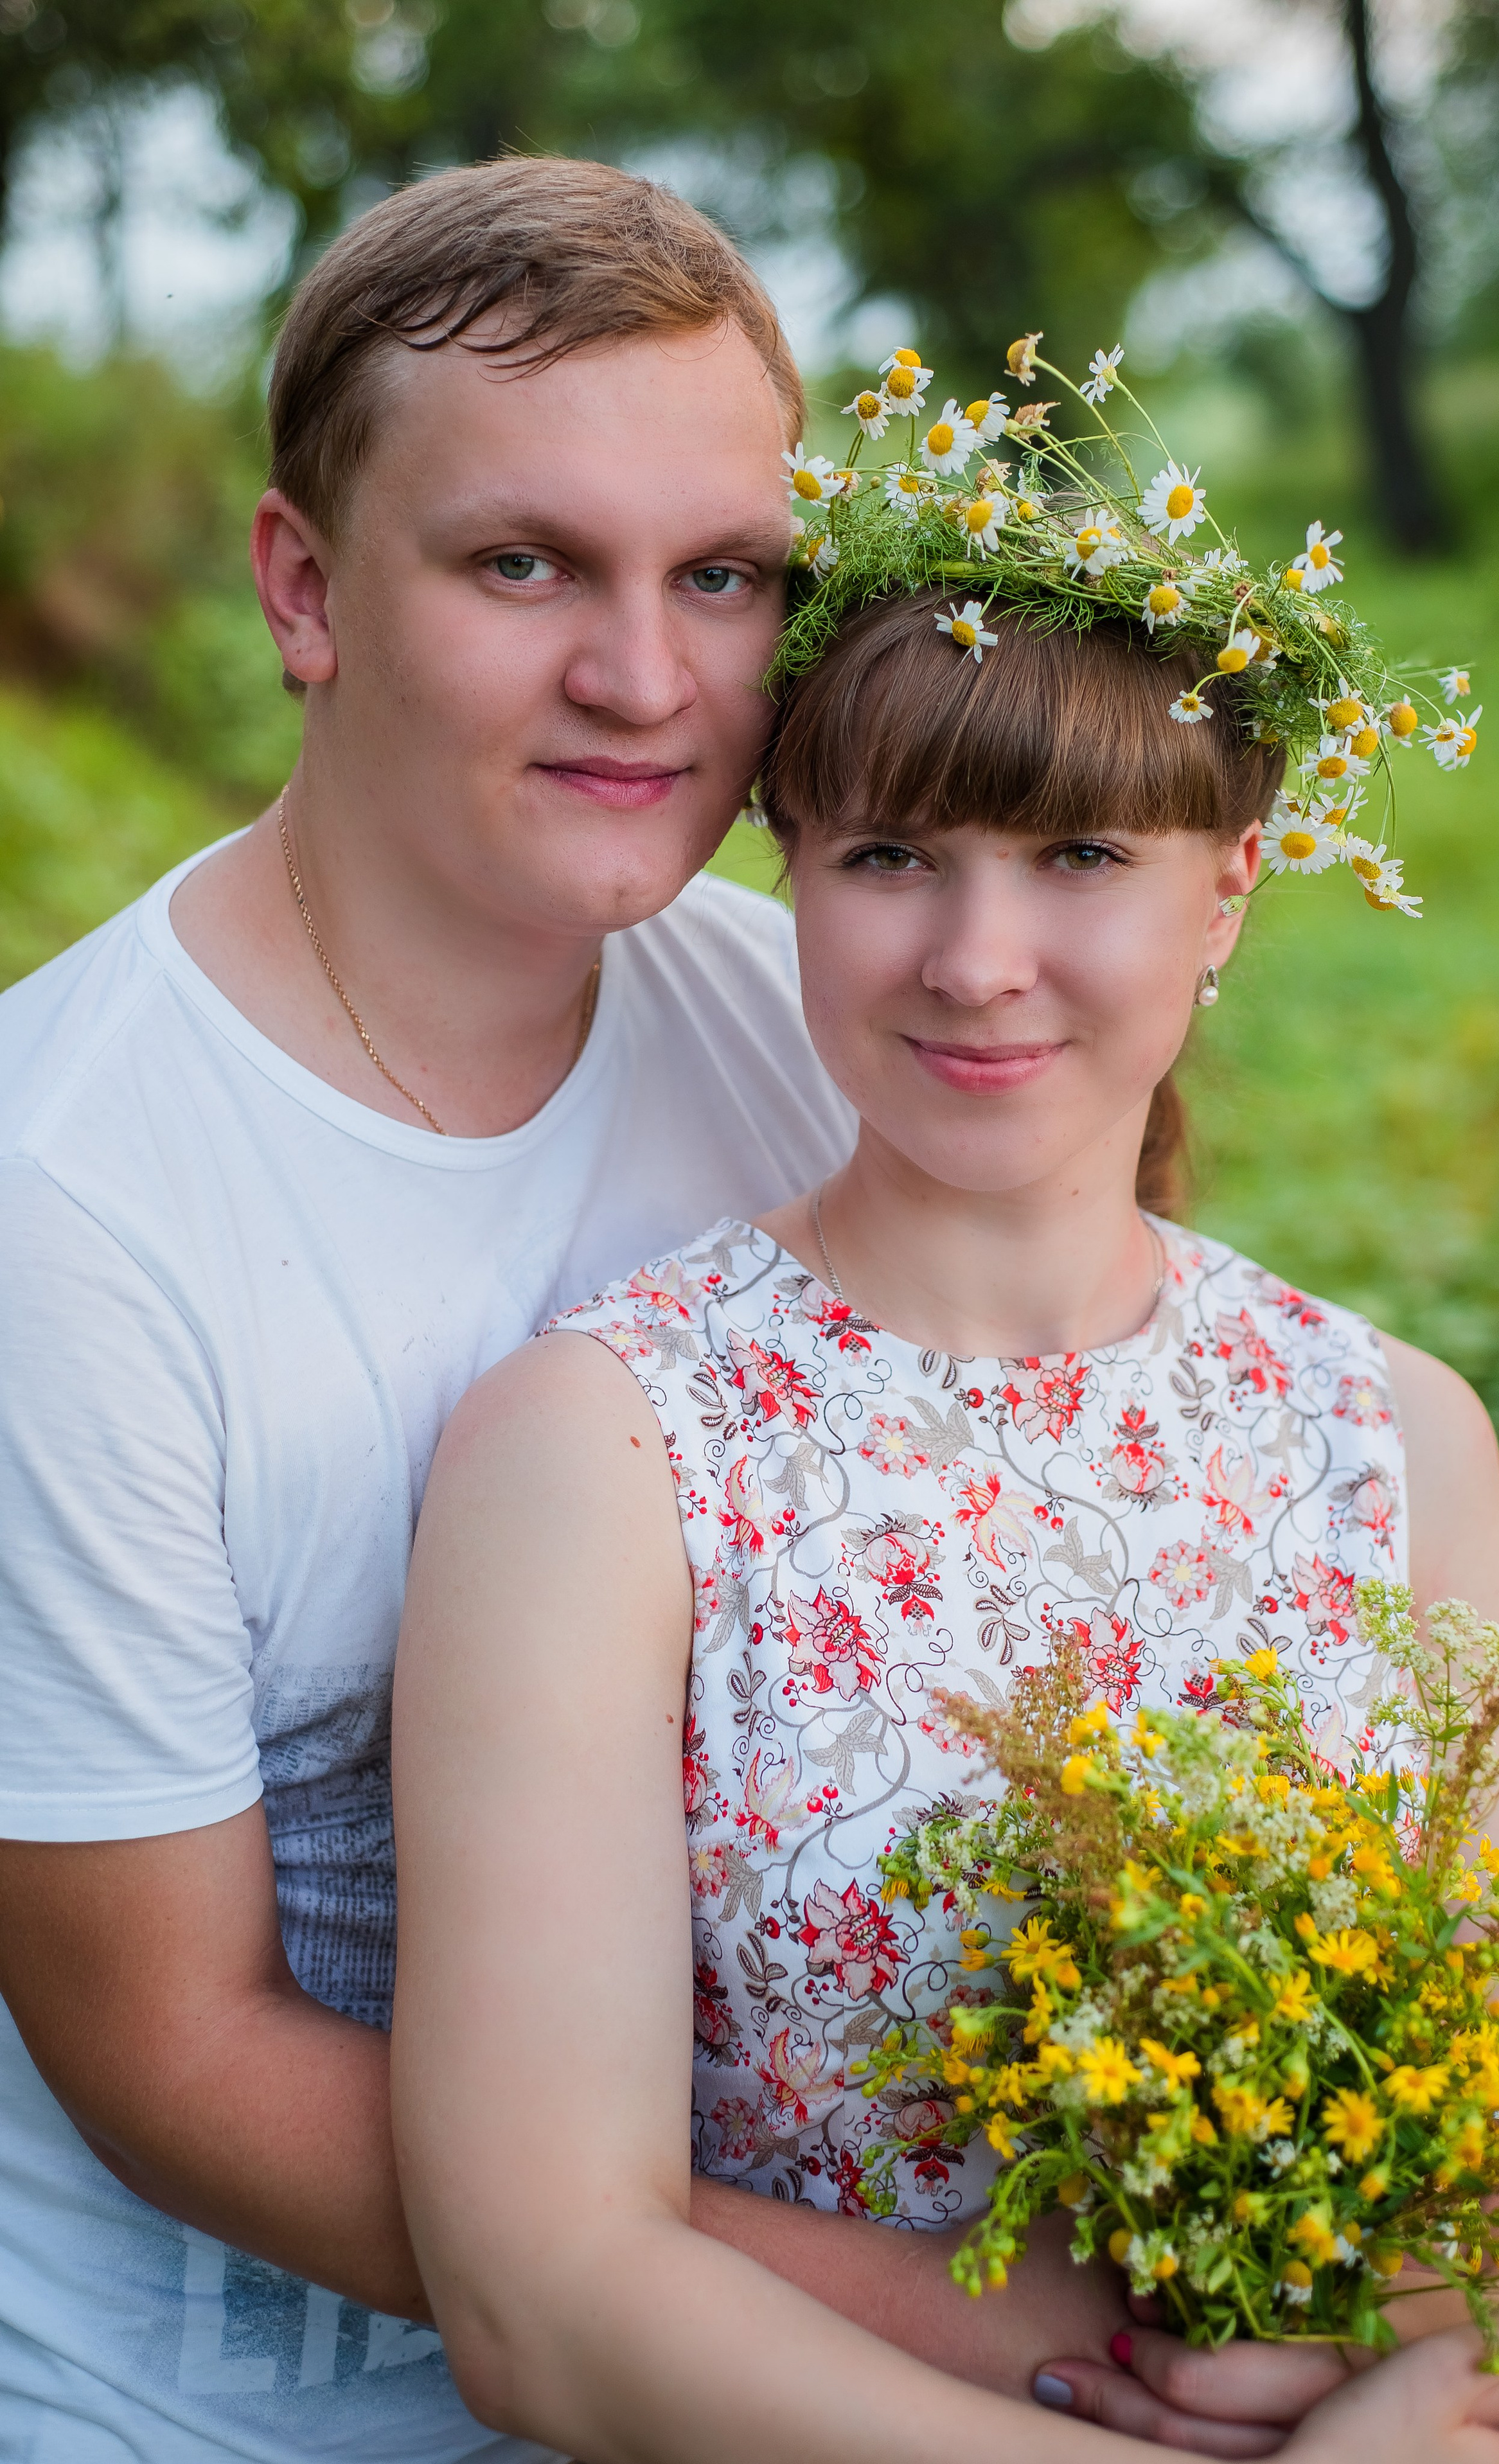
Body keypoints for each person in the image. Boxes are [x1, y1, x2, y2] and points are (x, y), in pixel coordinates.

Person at [0, 152, 1359, 2464]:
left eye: (723, 577)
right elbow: (174, 2051)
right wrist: (1036, 2338)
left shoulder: (826, 999)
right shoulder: (69, 1206)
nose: (646, 679)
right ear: (304, 586)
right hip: (243, 2413)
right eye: (522, 563)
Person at [389, 560, 1499, 2460]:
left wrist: (1429, 2390)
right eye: (893, 855)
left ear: (1228, 886)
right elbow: (544, 2295)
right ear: (790, 878)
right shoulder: (608, 1448)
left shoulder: (1387, 1428)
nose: (977, 958)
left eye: (1077, 854)